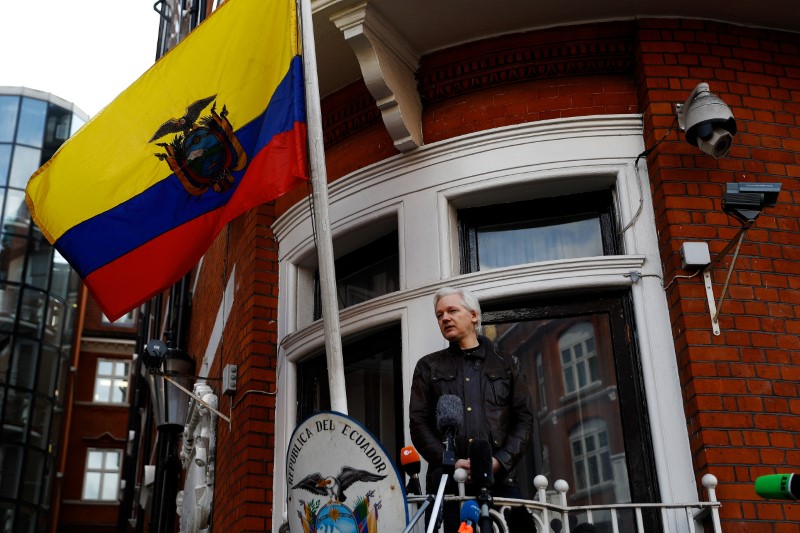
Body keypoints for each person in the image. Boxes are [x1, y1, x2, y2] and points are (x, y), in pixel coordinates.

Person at [409, 286, 534, 529]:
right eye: (439, 315)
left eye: (452, 310)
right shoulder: (428, 367)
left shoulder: (507, 365)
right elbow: (418, 424)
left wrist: (498, 461)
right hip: (447, 486)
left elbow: (525, 420)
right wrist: (452, 462)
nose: (444, 318)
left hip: (502, 482)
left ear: (473, 315)